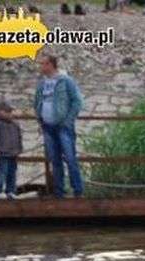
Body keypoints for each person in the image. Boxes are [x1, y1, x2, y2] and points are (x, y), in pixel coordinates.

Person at [33, 54, 85, 199]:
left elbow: (77, 101)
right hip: (48, 126)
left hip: (63, 126)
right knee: (55, 160)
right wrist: (39, 119)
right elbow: (37, 100)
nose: (41, 67)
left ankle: (78, 191)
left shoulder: (66, 81)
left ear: (51, 65)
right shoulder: (42, 84)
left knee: (70, 158)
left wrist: (68, 120)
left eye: (43, 64)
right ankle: (59, 192)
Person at [0, 102, 22, 200]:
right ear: (0, 111)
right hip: (3, 153)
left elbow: (19, 136)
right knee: (1, 172)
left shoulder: (15, 124)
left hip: (13, 153)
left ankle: (11, 190)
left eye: (10, 111)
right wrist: (0, 148)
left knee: (12, 173)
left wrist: (19, 148)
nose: (10, 114)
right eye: (7, 111)